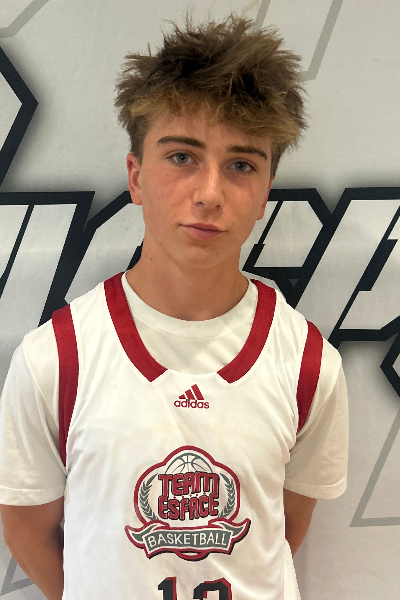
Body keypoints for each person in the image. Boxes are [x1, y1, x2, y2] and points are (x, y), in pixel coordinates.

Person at [0, 15, 348, 600]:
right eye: (182, 156)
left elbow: (281, 530)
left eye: (241, 165)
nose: (209, 193)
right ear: (136, 177)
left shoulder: (309, 364)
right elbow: (25, 527)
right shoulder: (55, 359)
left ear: (266, 191)